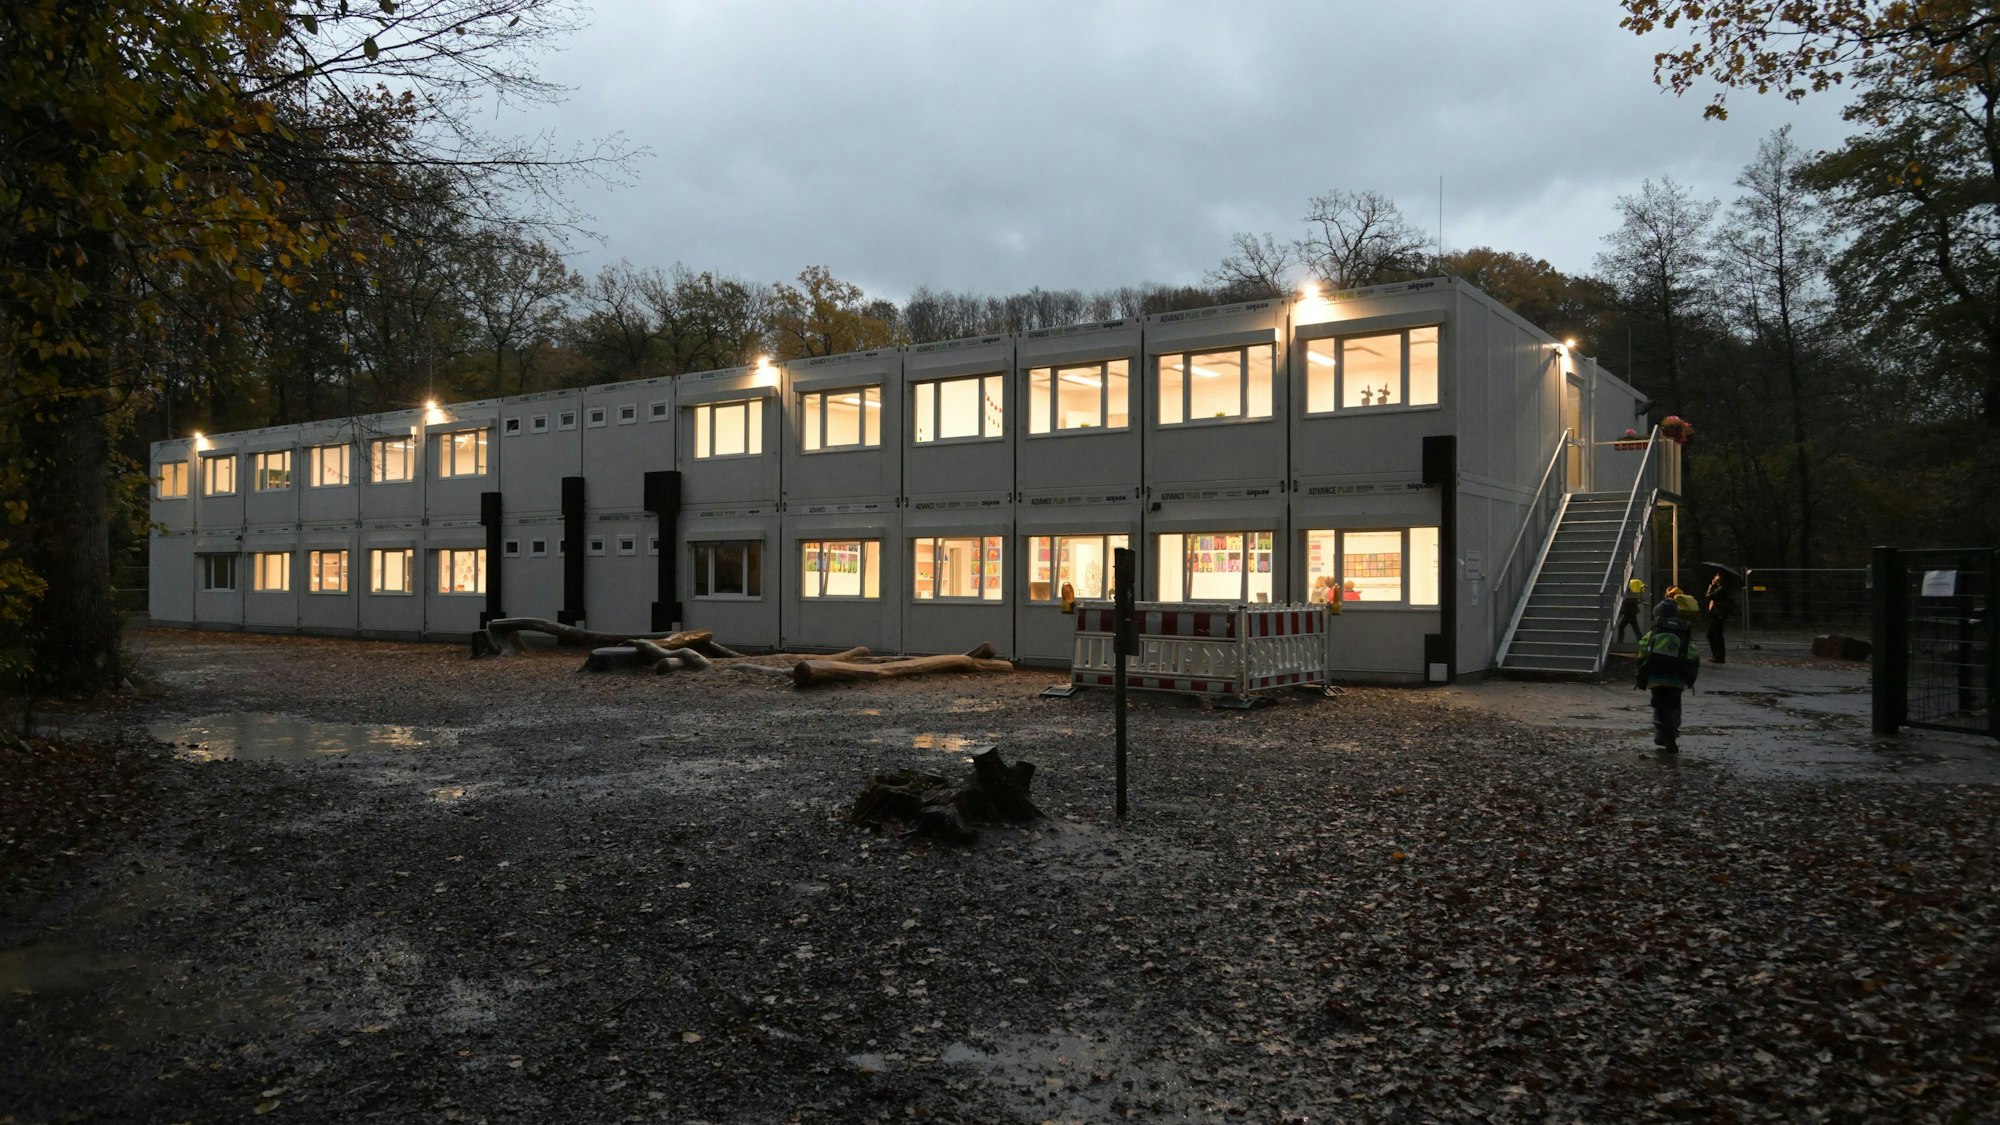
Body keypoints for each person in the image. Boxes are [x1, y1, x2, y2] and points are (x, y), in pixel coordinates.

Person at [1636, 599, 1701, 752]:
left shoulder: (1652, 634)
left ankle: (1661, 733)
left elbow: (1642, 655)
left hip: (1656, 679)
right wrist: (1691, 677)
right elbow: (1693, 656)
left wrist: (1640, 677)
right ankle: (1672, 735)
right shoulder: (1683, 634)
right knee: (1674, 706)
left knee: (1659, 706)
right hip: (1676, 680)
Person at [1704, 572, 1736, 663]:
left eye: (1716, 576)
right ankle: (1718, 655)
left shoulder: (1722, 588)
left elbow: (1709, 596)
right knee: (1715, 634)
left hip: (1718, 614)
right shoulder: (1723, 588)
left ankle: (1719, 656)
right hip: (1719, 613)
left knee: (1713, 634)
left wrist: (1711, 585)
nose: (1715, 577)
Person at [1616, 578, 1647, 642]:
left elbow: (1627, 602)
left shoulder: (1628, 591)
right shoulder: (1631, 590)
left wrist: (1621, 612)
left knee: (1623, 627)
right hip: (1631, 611)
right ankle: (1640, 640)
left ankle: (1619, 642)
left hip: (1629, 612)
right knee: (1635, 628)